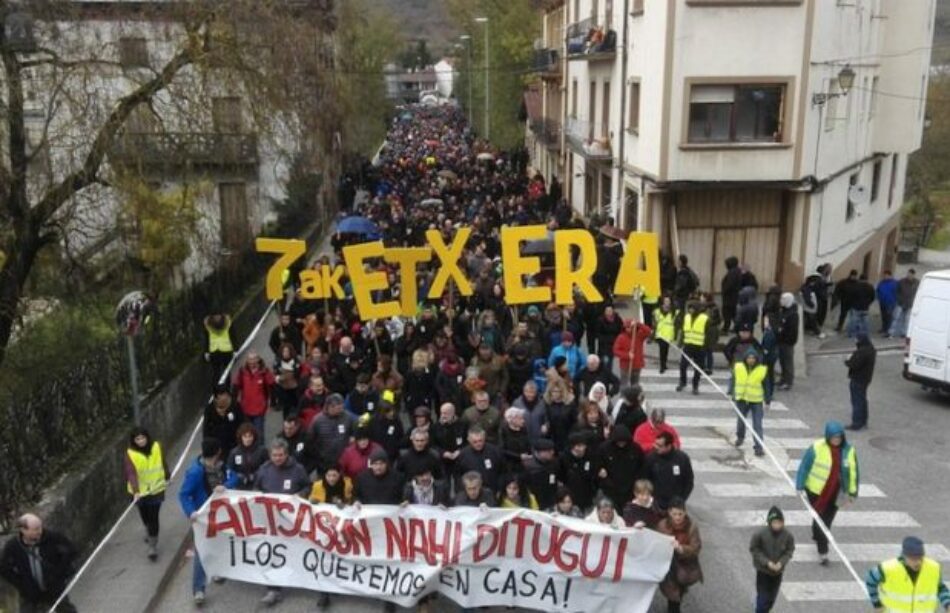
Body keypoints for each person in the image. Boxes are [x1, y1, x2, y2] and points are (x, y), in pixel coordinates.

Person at [178, 438, 238, 606]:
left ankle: (217, 571)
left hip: (222, 515)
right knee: (201, 551)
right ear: (218, 451)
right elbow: (183, 494)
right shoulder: (195, 472)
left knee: (221, 543)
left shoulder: (222, 466)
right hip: (203, 518)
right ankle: (199, 589)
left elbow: (234, 477)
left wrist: (225, 486)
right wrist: (191, 512)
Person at [795, 421, 860, 565]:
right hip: (815, 491)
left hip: (837, 493)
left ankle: (820, 542)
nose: (836, 440)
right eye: (833, 437)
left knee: (826, 521)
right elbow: (804, 467)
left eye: (839, 437)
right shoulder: (816, 448)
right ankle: (823, 551)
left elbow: (854, 473)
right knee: (820, 519)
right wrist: (799, 485)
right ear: (827, 436)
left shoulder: (849, 451)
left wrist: (852, 493)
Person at [0, 513, 78, 613]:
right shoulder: (13, 547)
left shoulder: (52, 537)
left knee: (67, 610)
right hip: (30, 594)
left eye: (40, 527)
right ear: (23, 530)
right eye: (35, 529)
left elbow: (71, 551)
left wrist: (58, 574)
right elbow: (5, 569)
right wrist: (23, 585)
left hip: (54, 588)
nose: (40, 531)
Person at [866, 536, 950, 613]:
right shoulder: (887, 569)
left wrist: (947, 604)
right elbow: (870, 580)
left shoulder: (933, 568)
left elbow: (940, 587)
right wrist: (877, 604)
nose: (918, 562)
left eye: (920, 558)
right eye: (913, 559)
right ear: (904, 556)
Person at [124, 427, 170, 561]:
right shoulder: (130, 454)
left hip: (156, 489)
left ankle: (152, 545)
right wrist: (136, 491)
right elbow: (131, 472)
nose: (141, 441)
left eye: (143, 438)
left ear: (147, 437)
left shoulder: (157, 446)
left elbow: (162, 462)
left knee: (154, 517)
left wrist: (167, 476)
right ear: (134, 441)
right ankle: (148, 529)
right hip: (140, 493)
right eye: (137, 439)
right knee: (145, 515)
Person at [657, 498, 703, 613]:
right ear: (669, 512)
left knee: (679, 590)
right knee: (673, 594)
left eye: (680, 514)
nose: (677, 517)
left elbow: (696, 548)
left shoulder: (692, 526)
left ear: (685, 512)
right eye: (674, 514)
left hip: (685, 565)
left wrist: (681, 549)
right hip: (668, 565)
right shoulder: (662, 526)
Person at [750, 506, 795, 613]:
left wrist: (781, 563)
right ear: (769, 522)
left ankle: (762, 607)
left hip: (778, 572)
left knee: (771, 599)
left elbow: (790, 550)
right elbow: (754, 549)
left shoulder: (788, 536)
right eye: (774, 522)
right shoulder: (760, 534)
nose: (777, 525)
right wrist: (767, 563)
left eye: (779, 522)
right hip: (763, 571)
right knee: (763, 598)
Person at [596, 424, 644, 513]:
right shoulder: (604, 448)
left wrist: (636, 483)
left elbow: (641, 467)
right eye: (619, 441)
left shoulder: (635, 449)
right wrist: (606, 481)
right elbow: (598, 467)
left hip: (630, 490)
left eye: (624, 441)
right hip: (610, 489)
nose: (621, 444)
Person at [732, 348, 770, 457]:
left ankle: (758, 447)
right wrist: (732, 393)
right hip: (742, 399)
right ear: (745, 358)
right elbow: (734, 380)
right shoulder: (738, 367)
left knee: (757, 424)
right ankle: (740, 437)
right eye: (749, 357)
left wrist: (767, 401)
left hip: (756, 401)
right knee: (741, 421)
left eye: (753, 358)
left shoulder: (762, 370)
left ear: (757, 359)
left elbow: (767, 386)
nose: (751, 360)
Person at [644, 431, 694, 511]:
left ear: (669, 446)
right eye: (655, 443)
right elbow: (645, 480)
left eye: (659, 445)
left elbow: (688, 481)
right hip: (655, 505)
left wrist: (681, 500)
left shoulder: (682, 459)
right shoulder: (650, 458)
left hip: (676, 505)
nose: (655, 447)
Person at [232, 351, 275, 434]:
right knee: (247, 433)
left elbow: (272, 386)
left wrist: (272, 403)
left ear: (258, 359)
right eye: (250, 359)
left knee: (259, 433)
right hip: (245, 408)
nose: (252, 362)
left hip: (259, 409)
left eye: (254, 359)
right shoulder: (242, 371)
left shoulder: (264, 371)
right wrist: (234, 403)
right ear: (247, 360)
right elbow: (236, 386)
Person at [456, 425, 506, 493]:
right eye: (475, 442)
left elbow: (503, 471)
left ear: (484, 438)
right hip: (471, 493)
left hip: (492, 491)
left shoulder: (495, 451)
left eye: (480, 441)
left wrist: (500, 488)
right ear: (469, 440)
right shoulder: (463, 454)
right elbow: (458, 476)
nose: (478, 444)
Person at [203, 384, 244, 459]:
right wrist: (206, 445)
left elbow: (242, 423)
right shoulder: (209, 409)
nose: (225, 398)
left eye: (226, 395)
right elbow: (206, 428)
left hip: (233, 443)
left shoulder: (235, 406)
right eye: (221, 395)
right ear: (216, 398)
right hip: (217, 445)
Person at [845, 333, 876, 431]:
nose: (855, 341)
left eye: (856, 339)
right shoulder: (871, 350)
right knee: (862, 400)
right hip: (866, 379)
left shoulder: (861, 352)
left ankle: (857, 423)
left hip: (857, 378)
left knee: (857, 401)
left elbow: (853, 364)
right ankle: (863, 421)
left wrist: (847, 360)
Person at [677, 301, 708, 395]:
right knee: (683, 365)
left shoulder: (704, 318)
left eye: (692, 308)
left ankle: (695, 386)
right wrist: (680, 342)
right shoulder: (686, 317)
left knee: (698, 368)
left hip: (700, 347)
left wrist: (706, 346)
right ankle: (683, 382)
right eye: (689, 308)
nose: (690, 310)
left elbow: (709, 334)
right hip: (688, 346)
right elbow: (683, 330)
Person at [227, 422, 268, 490]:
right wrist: (239, 477)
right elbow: (230, 470)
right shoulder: (234, 452)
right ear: (241, 437)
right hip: (240, 485)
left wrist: (255, 475)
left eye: (250, 436)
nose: (248, 439)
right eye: (245, 436)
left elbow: (267, 467)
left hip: (258, 485)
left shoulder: (262, 451)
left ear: (254, 437)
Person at [613, 318, 653, 385]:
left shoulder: (639, 335)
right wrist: (627, 355)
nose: (628, 329)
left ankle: (634, 395)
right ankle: (624, 394)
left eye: (630, 327)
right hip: (625, 365)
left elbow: (648, 331)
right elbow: (616, 351)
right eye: (627, 328)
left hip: (637, 364)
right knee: (624, 383)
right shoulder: (621, 337)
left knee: (635, 383)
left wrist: (638, 323)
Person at [523, 438, 560, 510]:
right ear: (539, 452)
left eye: (552, 450)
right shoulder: (528, 466)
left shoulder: (554, 463)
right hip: (535, 502)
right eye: (548, 451)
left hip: (551, 501)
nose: (552, 453)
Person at [203, 312, 234, 386]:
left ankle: (227, 388)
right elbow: (206, 339)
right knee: (216, 372)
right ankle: (216, 390)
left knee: (227, 371)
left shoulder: (228, 322)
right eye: (215, 316)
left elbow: (233, 335)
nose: (217, 317)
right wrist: (206, 351)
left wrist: (236, 348)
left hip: (226, 350)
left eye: (218, 315)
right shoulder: (208, 325)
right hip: (214, 351)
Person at [775, 292, 798, 391]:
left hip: (787, 342)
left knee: (787, 362)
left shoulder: (792, 314)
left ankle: (788, 381)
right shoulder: (784, 311)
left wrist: (785, 338)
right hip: (781, 340)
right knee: (782, 361)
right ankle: (783, 379)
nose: (781, 301)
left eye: (783, 299)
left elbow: (792, 330)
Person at [891, 269, 920, 338]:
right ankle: (892, 332)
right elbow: (897, 291)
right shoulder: (901, 281)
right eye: (908, 274)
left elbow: (918, 292)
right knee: (896, 318)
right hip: (900, 303)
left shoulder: (917, 283)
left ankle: (904, 333)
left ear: (913, 275)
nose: (909, 276)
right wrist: (899, 299)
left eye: (910, 275)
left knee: (907, 319)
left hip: (910, 303)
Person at [595, 305, 624, 372]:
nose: (608, 313)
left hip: (614, 344)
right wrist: (604, 340)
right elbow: (597, 333)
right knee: (604, 362)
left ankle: (607, 377)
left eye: (610, 311)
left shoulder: (617, 319)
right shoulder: (600, 320)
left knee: (609, 363)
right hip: (604, 346)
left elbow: (621, 330)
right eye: (607, 311)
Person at [653, 296, 677, 373]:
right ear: (663, 301)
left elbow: (676, 322)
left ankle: (664, 364)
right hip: (660, 334)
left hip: (669, 334)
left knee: (666, 350)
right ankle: (662, 366)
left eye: (668, 301)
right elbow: (654, 321)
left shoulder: (673, 311)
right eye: (665, 300)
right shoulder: (657, 311)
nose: (667, 302)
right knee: (662, 350)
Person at [847, 273, 876, 338]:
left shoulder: (855, 286)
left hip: (856, 307)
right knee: (865, 322)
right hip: (865, 307)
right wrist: (868, 303)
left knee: (853, 321)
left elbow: (851, 296)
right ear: (867, 279)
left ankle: (852, 334)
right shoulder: (870, 287)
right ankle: (865, 334)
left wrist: (852, 304)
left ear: (860, 279)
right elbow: (873, 297)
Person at [721, 256, 743, 335]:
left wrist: (724, 290)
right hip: (734, 296)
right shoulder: (737, 271)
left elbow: (730, 284)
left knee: (727, 313)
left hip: (729, 297)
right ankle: (737, 328)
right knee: (733, 313)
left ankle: (725, 329)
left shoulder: (732, 272)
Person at [876, 270, 899, 336]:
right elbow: (878, 290)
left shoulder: (894, 283)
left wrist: (895, 300)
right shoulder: (882, 282)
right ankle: (883, 328)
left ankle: (888, 330)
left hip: (890, 303)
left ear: (890, 276)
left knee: (889, 316)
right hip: (882, 302)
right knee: (883, 316)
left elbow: (897, 292)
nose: (885, 277)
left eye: (887, 275)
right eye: (884, 275)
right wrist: (878, 297)